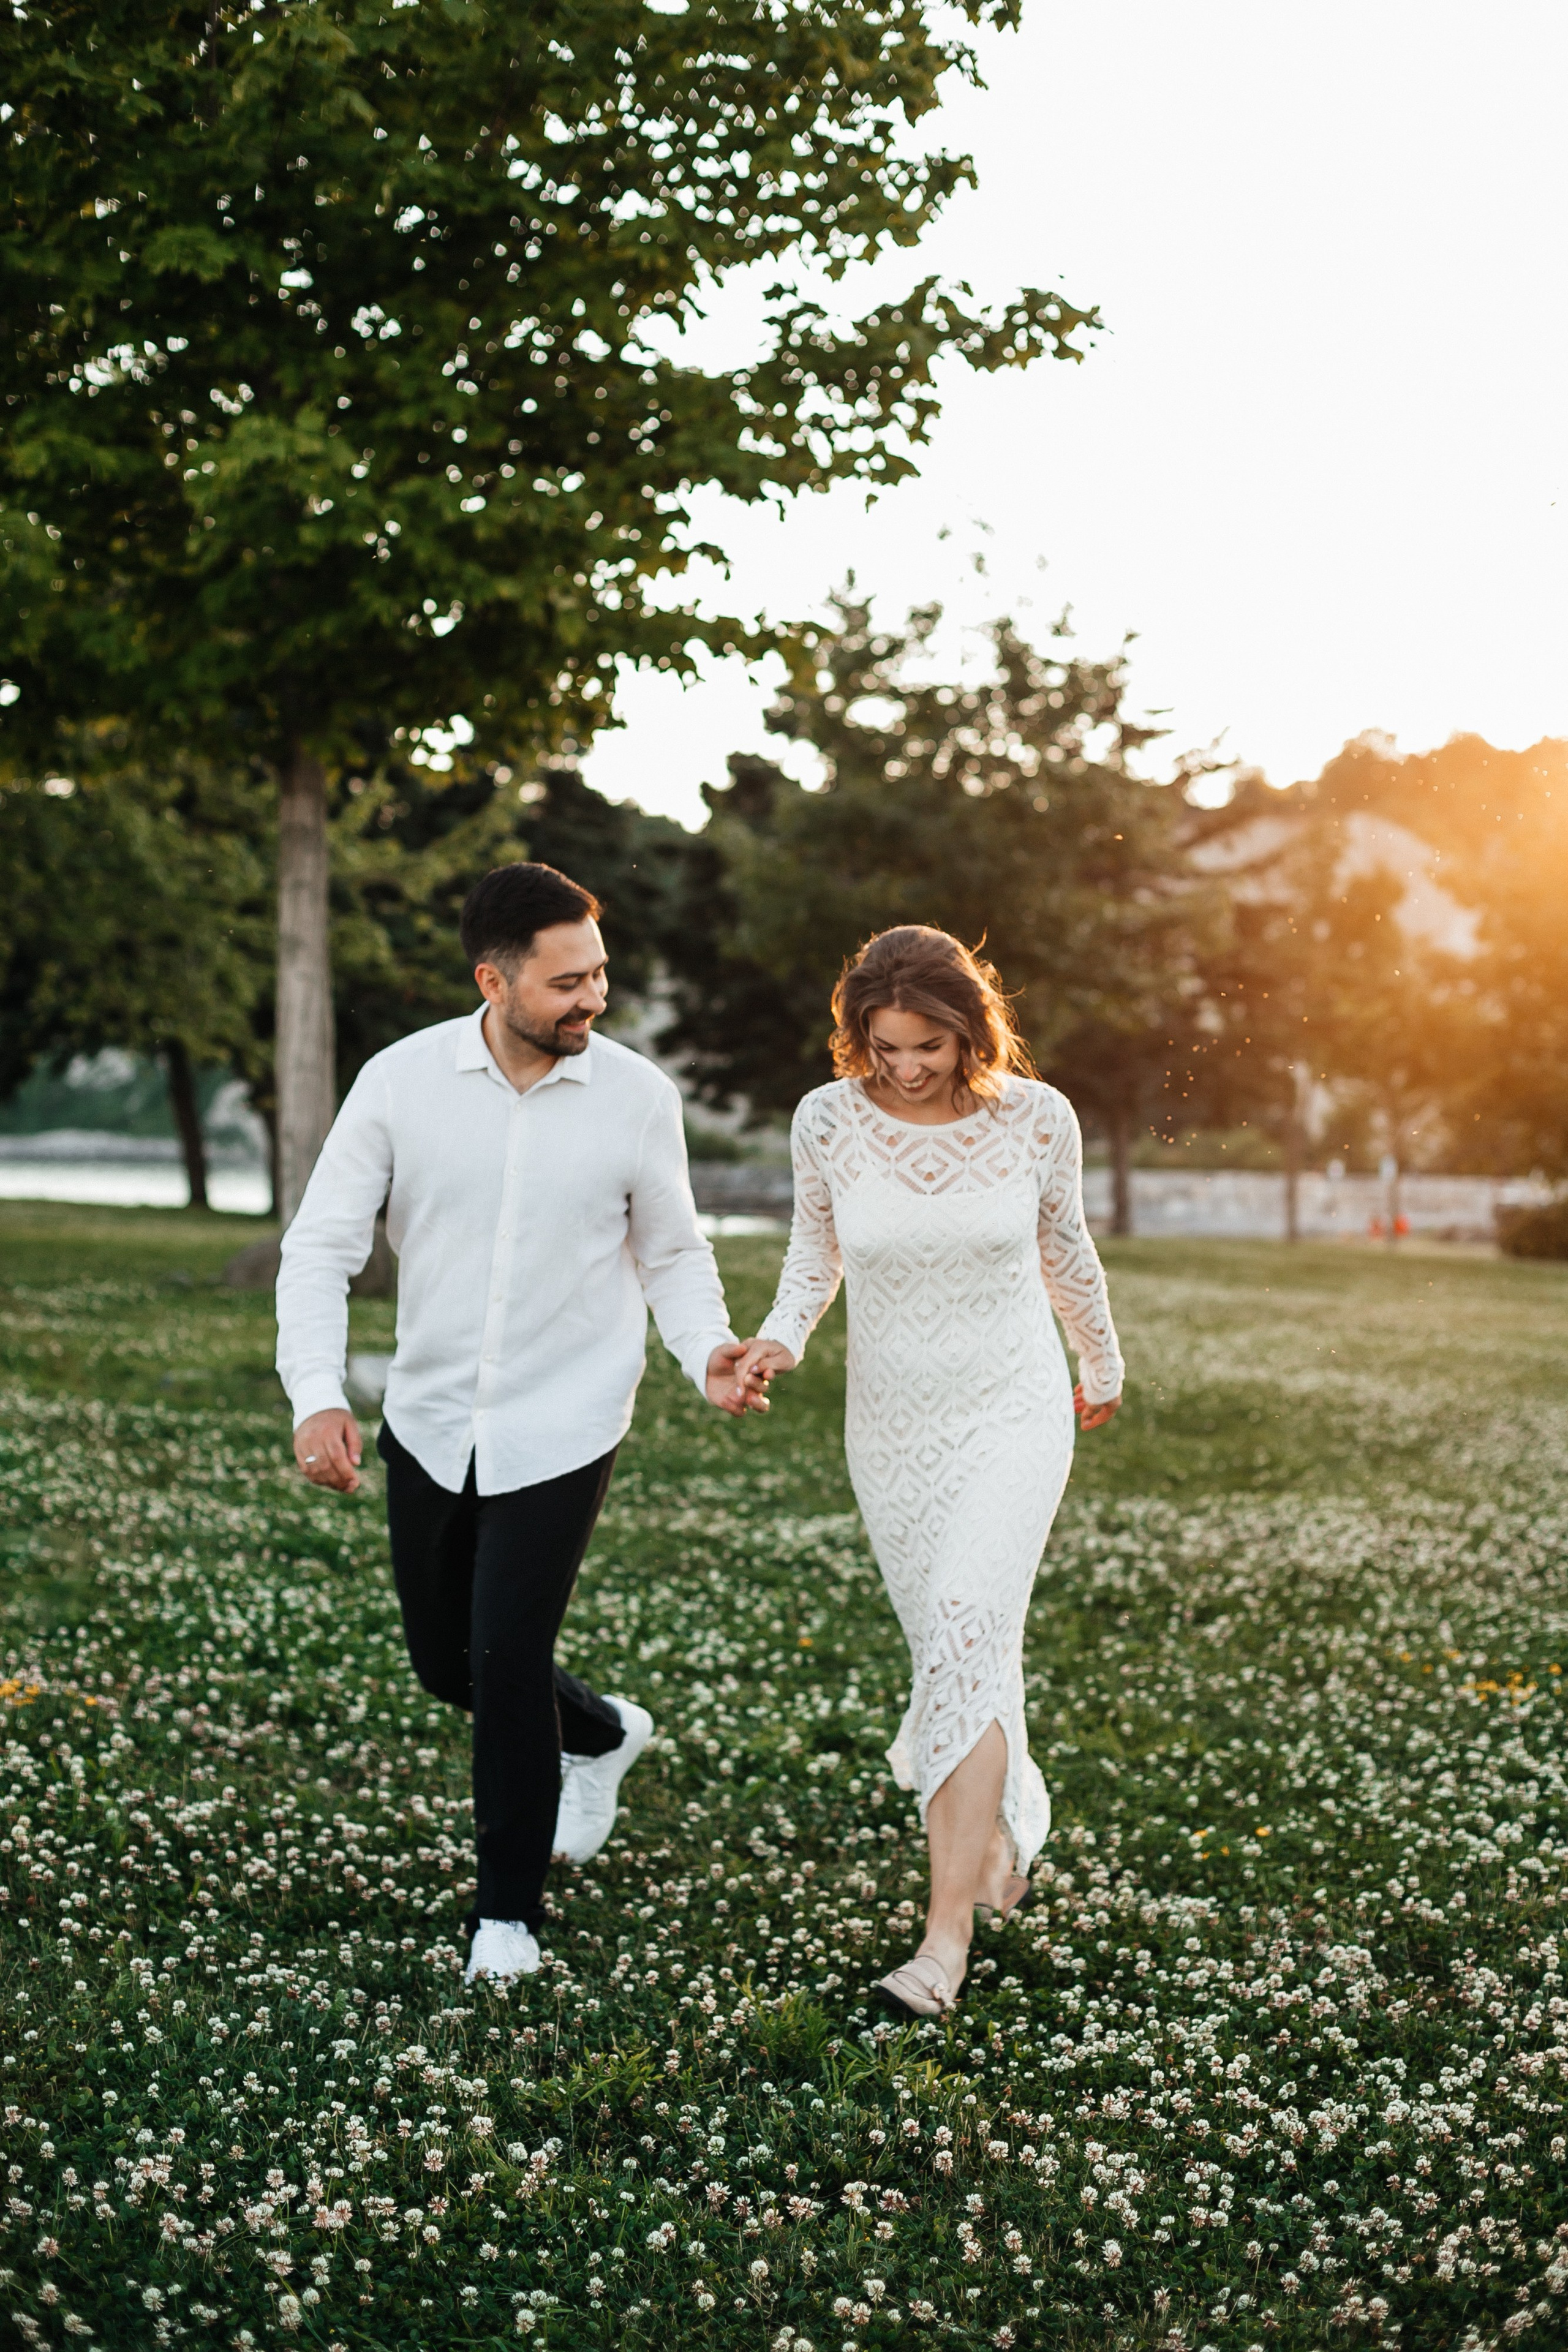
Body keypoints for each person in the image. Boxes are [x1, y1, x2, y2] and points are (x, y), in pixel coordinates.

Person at [276, 861, 767, 1986]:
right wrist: (316, 1392)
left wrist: (708, 1356)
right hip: (433, 1412)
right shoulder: (399, 1084)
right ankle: (599, 1731)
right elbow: (321, 1249)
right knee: (443, 1661)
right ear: (493, 980)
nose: (592, 997)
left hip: (567, 1418)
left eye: (599, 973)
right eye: (565, 982)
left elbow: (674, 1254)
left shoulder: (638, 1096)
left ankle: (508, 1915)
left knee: (504, 1661)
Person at [733, 927, 1123, 2019]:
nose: (905, 1066)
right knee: (965, 1653)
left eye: (928, 1047)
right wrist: (782, 1338)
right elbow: (816, 1255)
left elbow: (1066, 1247)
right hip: (894, 1427)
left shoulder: (1038, 1119)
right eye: (884, 1044)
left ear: (970, 1029)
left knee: (964, 1622)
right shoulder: (828, 1120)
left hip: (1015, 1406)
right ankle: (992, 1847)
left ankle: (943, 1944)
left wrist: (1102, 1359)